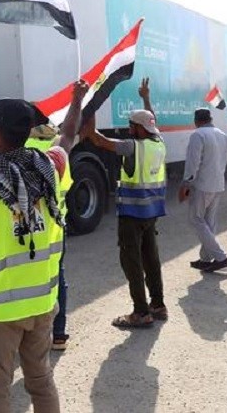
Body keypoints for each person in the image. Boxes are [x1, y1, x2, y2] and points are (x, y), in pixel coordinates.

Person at [0, 80, 88, 413]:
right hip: (42, 302)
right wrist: (77, 100)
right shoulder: (51, 167)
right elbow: (68, 134)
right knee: (41, 380)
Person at [83, 78, 168, 328]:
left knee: (132, 262)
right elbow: (151, 120)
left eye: (132, 126)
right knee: (151, 258)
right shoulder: (158, 143)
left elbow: (98, 140)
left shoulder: (132, 147)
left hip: (132, 214)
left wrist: (91, 108)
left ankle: (141, 312)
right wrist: (145, 98)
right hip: (151, 212)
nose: (129, 129)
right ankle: (158, 305)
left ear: (140, 129)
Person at [24, 123, 73, 351]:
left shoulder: (23, 150)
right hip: (56, 228)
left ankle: (30, 334)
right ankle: (59, 335)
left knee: (28, 279)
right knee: (57, 278)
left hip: (29, 228)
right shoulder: (58, 153)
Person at [179, 108, 227, 272]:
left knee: (195, 219)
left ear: (196, 121)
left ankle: (221, 257)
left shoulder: (198, 135)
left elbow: (193, 162)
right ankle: (206, 258)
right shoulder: (222, 134)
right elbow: (225, 160)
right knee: (209, 222)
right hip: (218, 183)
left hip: (202, 185)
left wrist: (186, 183)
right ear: (210, 119)